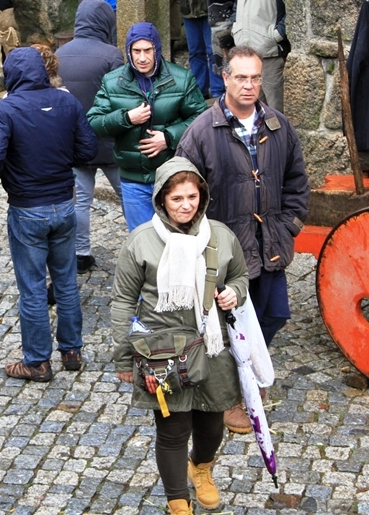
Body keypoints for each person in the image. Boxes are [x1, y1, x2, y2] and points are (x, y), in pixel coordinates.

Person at [175, 45, 310, 432]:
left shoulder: (278, 127)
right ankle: (233, 396)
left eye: (255, 78)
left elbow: (297, 183)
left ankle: (250, 371)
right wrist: (200, 247)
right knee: (228, 328)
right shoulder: (201, 133)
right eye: (241, 77)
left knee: (274, 315)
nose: (249, 85)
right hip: (226, 255)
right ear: (226, 78)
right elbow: (183, 197)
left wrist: (289, 226)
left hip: (270, 244)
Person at [112, 156, 248, 515]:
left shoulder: (220, 235)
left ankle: (200, 467)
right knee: (173, 429)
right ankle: (177, 498)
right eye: (177, 199)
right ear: (161, 200)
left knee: (211, 425)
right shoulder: (141, 242)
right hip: (163, 352)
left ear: (202, 196)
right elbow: (123, 301)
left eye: (192, 197)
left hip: (213, 347)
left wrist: (236, 291)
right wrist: (124, 357)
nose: (186, 205)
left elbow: (240, 276)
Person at [0, 47, 97, 381]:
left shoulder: (4, 109)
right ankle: (72, 351)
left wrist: (13, 172)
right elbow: (87, 150)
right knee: (66, 282)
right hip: (64, 205)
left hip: (28, 209)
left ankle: (37, 362)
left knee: (32, 288)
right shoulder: (68, 102)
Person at [87, 22, 207, 232]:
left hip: (172, 174)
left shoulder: (181, 79)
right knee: (142, 240)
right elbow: (94, 123)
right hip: (133, 178)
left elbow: (201, 119)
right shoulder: (113, 81)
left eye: (147, 50)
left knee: (177, 238)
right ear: (128, 51)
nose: (142, 58)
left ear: (157, 50)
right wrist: (126, 118)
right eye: (136, 51)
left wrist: (169, 138)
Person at [56, 0, 125, 273]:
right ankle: (147, 251)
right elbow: (121, 100)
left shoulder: (60, 54)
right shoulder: (111, 55)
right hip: (110, 142)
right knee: (129, 197)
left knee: (81, 201)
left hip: (75, 144)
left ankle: (81, 254)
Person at [230, 0, 291, 111]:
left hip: (270, 54)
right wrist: (235, 27)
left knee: (275, 108)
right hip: (247, 56)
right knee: (254, 108)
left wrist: (277, 35)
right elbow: (235, 9)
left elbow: (292, 11)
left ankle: (278, 129)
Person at [181, 0, 224, 98]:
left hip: (211, 8)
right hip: (188, 10)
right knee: (195, 52)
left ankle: (217, 91)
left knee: (213, 51)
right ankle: (199, 91)